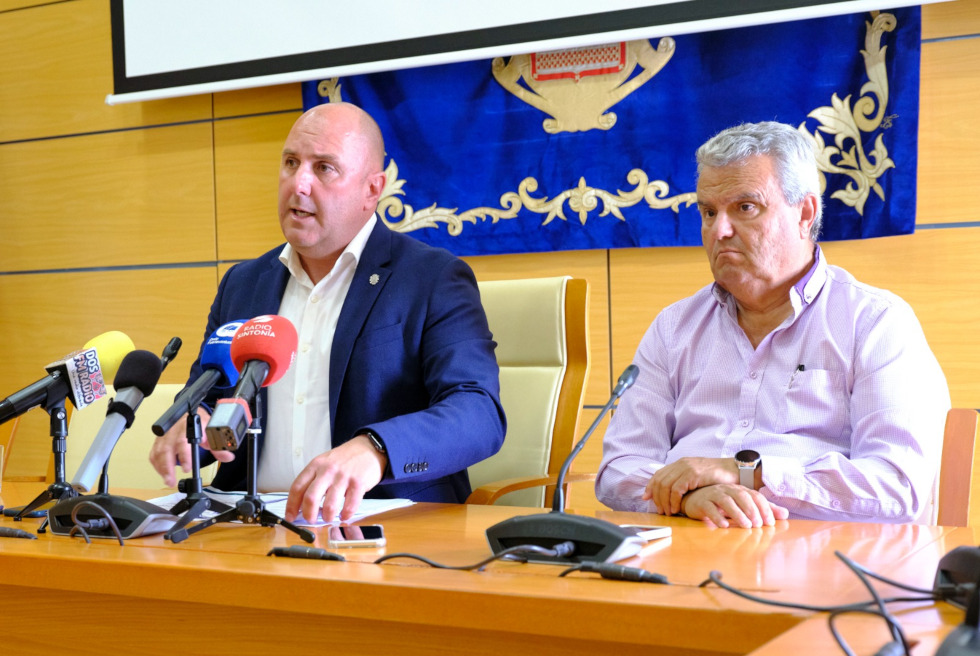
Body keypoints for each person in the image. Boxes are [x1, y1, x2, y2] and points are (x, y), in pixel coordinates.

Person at [150, 102, 505, 523]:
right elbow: (210, 394)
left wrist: (376, 449)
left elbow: (478, 412)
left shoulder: (432, 278)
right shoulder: (243, 284)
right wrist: (194, 425)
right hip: (246, 523)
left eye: (324, 168)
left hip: (379, 524)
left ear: (372, 190)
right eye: (290, 163)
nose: (299, 183)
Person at [595, 121, 949, 528]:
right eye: (709, 212)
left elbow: (897, 486)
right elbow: (618, 468)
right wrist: (691, 496)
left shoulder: (874, 322)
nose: (719, 231)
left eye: (745, 207)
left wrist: (747, 473)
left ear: (805, 213)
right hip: (686, 541)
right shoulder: (673, 327)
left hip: (815, 552)